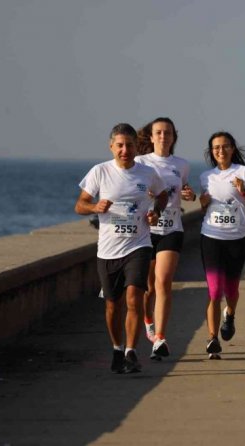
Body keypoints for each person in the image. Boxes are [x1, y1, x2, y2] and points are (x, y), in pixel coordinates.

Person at [75, 123, 168, 374]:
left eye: (129, 145)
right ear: (111, 147)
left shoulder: (147, 173)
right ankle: (117, 348)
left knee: (134, 298)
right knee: (112, 305)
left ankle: (131, 352)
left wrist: (156, 211)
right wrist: (94, 207)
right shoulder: (100, 172)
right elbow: (80, 205)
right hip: (108, 250)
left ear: (137, 147)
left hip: (139, 245)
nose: (125, 150)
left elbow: (162, 195)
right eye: (120, 145)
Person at [135, 117, 194, 360]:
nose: (163, 136)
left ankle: (160, 338)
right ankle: (148, 320)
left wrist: (189, 194)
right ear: (151, 137)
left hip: (172, 229)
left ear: (173, 137)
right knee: (148, 288)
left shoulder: (181, 165)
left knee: (163, 282)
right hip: (146, 230)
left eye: (167, 132)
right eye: (158, 132)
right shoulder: (141, 162)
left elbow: (185, 191)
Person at [198, 131, 245, 359]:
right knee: (214, 291)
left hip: (238, 238)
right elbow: (204, 204)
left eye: (225, 146)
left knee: (231, 289)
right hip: (211, 236)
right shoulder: (206, 177)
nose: (221, 151)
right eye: (216, 147)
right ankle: (212, 339)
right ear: (211, 152)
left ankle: (230, 314)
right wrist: (202, 202)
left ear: (232, 148)